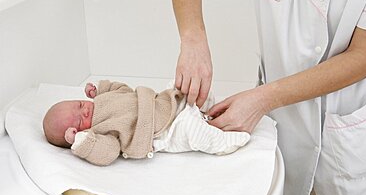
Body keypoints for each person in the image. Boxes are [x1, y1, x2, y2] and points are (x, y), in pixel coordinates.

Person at [171, 0, 366, 195]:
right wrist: (193, 42)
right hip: (280, 129)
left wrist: (263, 99)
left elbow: (364, 54)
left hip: (344, 134)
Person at [43, 80, 250, 166]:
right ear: (79, 132)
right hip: (163, 132)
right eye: (81, 119)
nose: (85, 110)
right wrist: (83, 143)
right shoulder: (99, 133)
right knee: (191, 131)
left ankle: (206, 107)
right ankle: (221, 141)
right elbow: (108, 152)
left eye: (80, 104)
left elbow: (123, 90)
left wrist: (102, 89)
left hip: (162, 103)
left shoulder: (100, 101)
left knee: (186, 86)